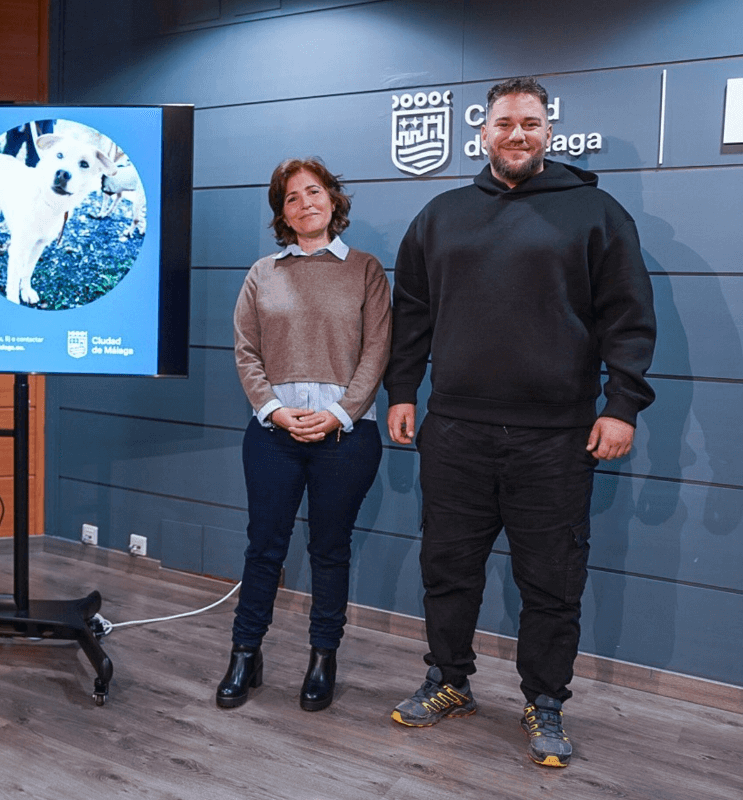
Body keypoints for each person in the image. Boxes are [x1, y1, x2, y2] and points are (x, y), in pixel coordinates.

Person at [383, 77, 656, 767]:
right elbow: (412, 311)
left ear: (548, 132)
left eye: (530, 123)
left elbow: (627, 317)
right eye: (505, 122)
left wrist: (622, 405)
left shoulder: (597, 213)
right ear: (483, 133)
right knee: (448, 568)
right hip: (456, 431)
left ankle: (546, 701)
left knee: (552, 582)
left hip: (556, 438)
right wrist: (403, 391)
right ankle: (450, 681)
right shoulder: (441, 215)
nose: (517, 134)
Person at [220, 157, 390, 712]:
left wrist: (341, 412)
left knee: (329, 550)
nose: (305, 203)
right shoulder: (262, 272)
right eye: (291, 198)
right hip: (274, 434)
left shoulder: (365, 270)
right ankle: (245, 653)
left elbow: (377, 351)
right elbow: (246, 351)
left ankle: (323, 657)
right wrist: (272, 409)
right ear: (283, 215)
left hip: (347, 436)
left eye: (313, 192)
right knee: (264, 547)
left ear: (333, 200)